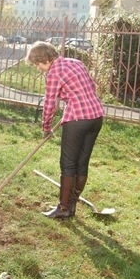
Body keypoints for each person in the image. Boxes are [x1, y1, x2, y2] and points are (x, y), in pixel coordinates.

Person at [25, 41, 104, 219]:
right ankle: (71, 206)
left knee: (68, 164)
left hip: (77, 119)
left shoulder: (53, 72)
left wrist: (46, 127)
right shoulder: (76, 62)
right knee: (81, 164)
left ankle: (63, 208)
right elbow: (93, 87)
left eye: (38, 64)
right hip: (96, 117)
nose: (38, 68)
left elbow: (50, 103)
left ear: (45, 59)